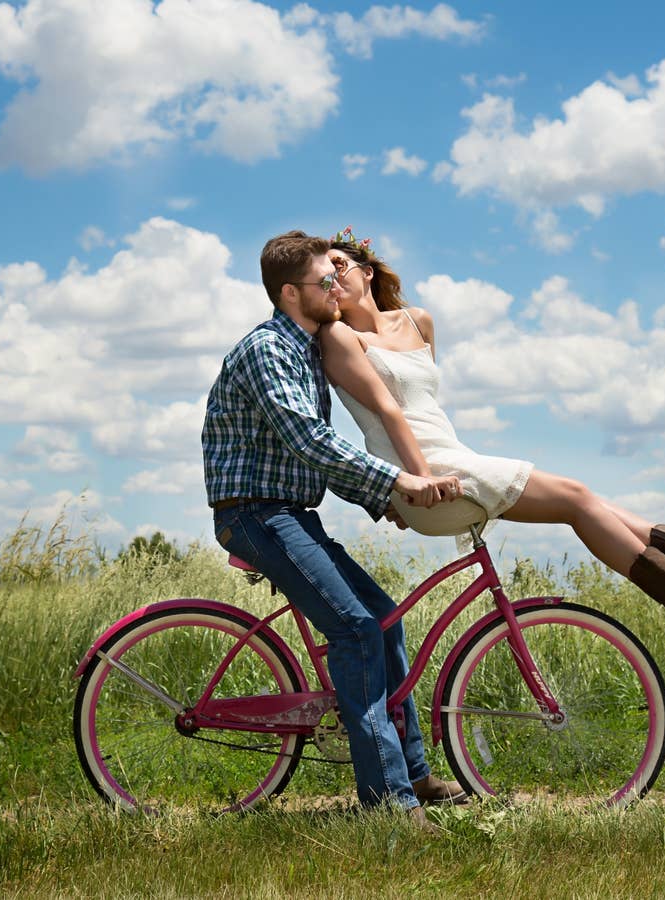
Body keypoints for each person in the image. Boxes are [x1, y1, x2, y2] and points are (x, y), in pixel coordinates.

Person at [320, 227, 665, 632]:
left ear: (367, 271)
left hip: (450, 457)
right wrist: (408, 483)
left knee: (585, 500)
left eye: (339, 266)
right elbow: (388, 414)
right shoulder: (341, 338)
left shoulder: (418, 322)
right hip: (424, 475)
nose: (333, 279)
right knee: (577, 498)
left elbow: (426, 408)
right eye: (323, 277)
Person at [201, 230, 467, 825]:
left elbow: (313, 456)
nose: (337, 289)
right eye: (327, 280)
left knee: (385, 620)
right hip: (255, 514)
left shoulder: (305, 352)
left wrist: (382, 500)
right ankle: (388, 803)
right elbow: (311, 441)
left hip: (291, 513)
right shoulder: (269, 349)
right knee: (356, 632)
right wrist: (400, 482)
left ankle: (415, 774)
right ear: (292, 292)